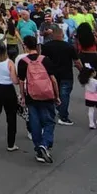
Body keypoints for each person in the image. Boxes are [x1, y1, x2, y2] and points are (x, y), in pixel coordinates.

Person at [17, 35, 60, 164]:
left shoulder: (23, 62)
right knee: (49, 121)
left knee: (34, 122)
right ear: (36, 45)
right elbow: (53, 79)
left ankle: (38, 149)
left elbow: (21, 81)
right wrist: (56, 96)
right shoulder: (45, 60)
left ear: (25, 46)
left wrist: (22, 96)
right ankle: (45, 144)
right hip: (47, 94)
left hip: (32, 95)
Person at [39, 24, 80, 127]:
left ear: (52, 35)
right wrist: (83, 71)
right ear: (62, 35)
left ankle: (51, 112)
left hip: (52, 74)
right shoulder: (69, 47)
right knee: (64, 95)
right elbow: (77, 62)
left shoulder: (47, 46)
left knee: (52, 94)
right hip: (66, 74)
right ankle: (63, 116)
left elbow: (42, 60)